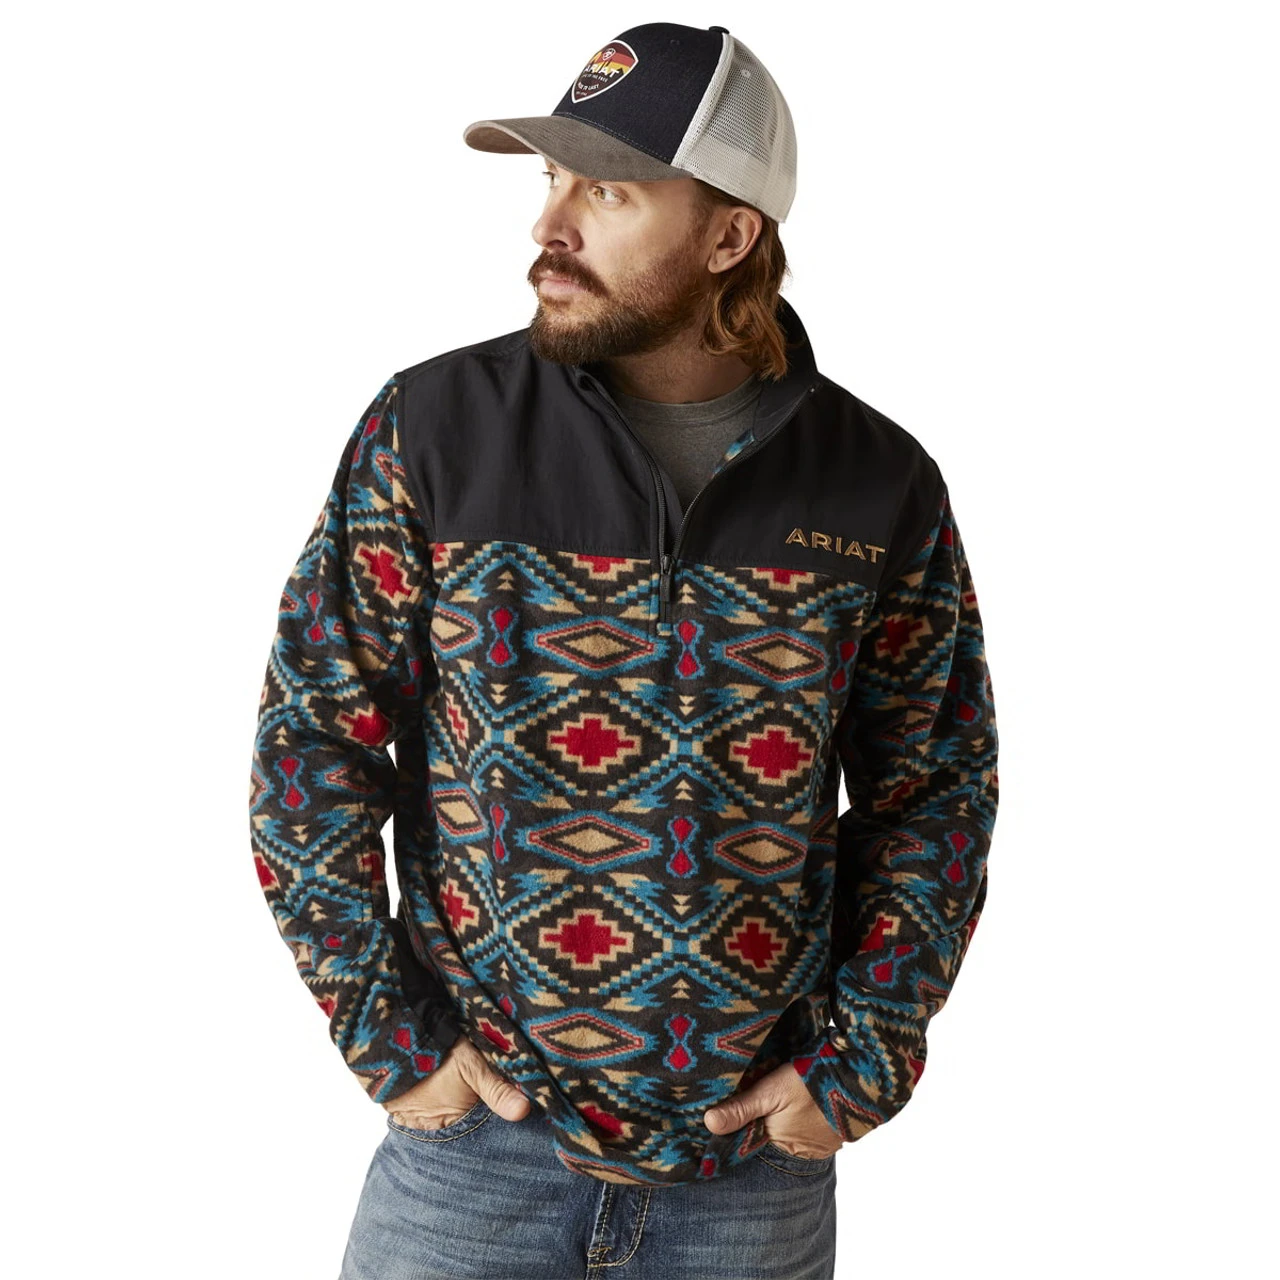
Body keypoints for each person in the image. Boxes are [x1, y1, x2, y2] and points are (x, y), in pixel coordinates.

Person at [247, 22, 999, 1280]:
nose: (549, 226)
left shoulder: (877, 481)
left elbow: (933, 790)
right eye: (552, 180)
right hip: (473, 1156)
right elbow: (313, 739)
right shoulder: (432, 431)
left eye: (607, 191)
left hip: (747, 1177)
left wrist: (856, 1065)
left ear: (728, 235)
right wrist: (393, 1041)